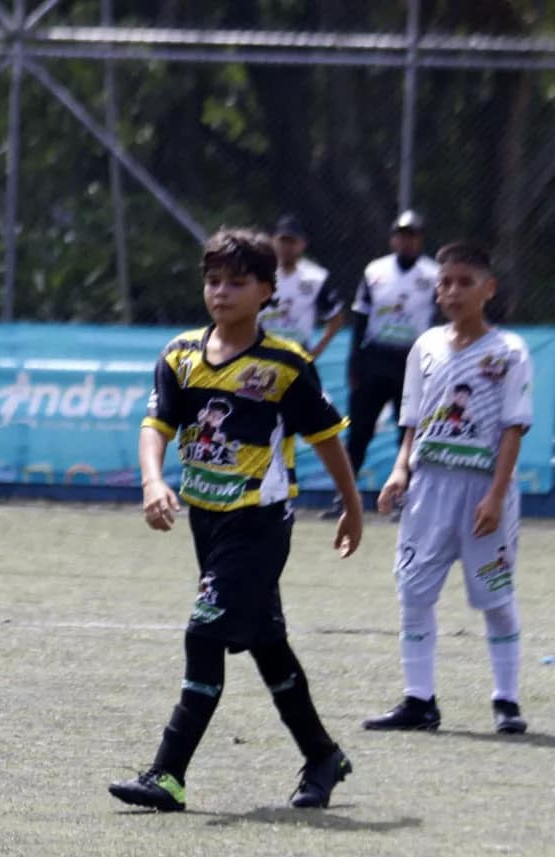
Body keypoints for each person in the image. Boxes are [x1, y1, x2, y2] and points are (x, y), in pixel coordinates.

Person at [108, 227, 364, 814]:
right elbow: (158, 427)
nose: (220, 292)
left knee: (204, 632)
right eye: (212, 280)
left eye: (237, 282)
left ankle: (167, 775)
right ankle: (323, 755)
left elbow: (326, 440)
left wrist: (352, 506)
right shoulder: (179, 355)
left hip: (260, 521)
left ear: (267, 291)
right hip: (207, 520)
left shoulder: (285, 365)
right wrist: (153, 479)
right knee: (267, 644)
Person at [363, 241, 532, 735]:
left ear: (488, 289)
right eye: (445, 283)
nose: (452, 291)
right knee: (413, 591)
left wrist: (497, 495)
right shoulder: (426, 347)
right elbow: (412, 420)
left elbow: (512, 428)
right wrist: (400, 470)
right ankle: (419, 701)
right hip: (428, 487)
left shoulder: (509, 353)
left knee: (495, 596)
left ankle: (506, 700)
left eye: (464, 282)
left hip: (482, 487)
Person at [326, 209, 439, 520]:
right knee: (359, 430)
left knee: (409, 430)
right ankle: (344, 499)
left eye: (412, 235)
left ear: (420, 240)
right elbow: (361, 316)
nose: (406, 241)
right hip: (375, 357)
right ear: (393, 239)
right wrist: (355, 360)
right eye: (401, 235)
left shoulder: (433, 274)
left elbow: (440, 318)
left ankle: (406, 500)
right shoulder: (376, 271)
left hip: (413, 358)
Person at [259, 214, 344, 360]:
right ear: (273, 241)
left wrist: (315, 353)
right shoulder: (259, 273)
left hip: (297, 352)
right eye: (283, 241)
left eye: (292, 242)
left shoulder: (316, 278)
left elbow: (336, 318)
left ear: (303, 244)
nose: (287, 247)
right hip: (262, 351)